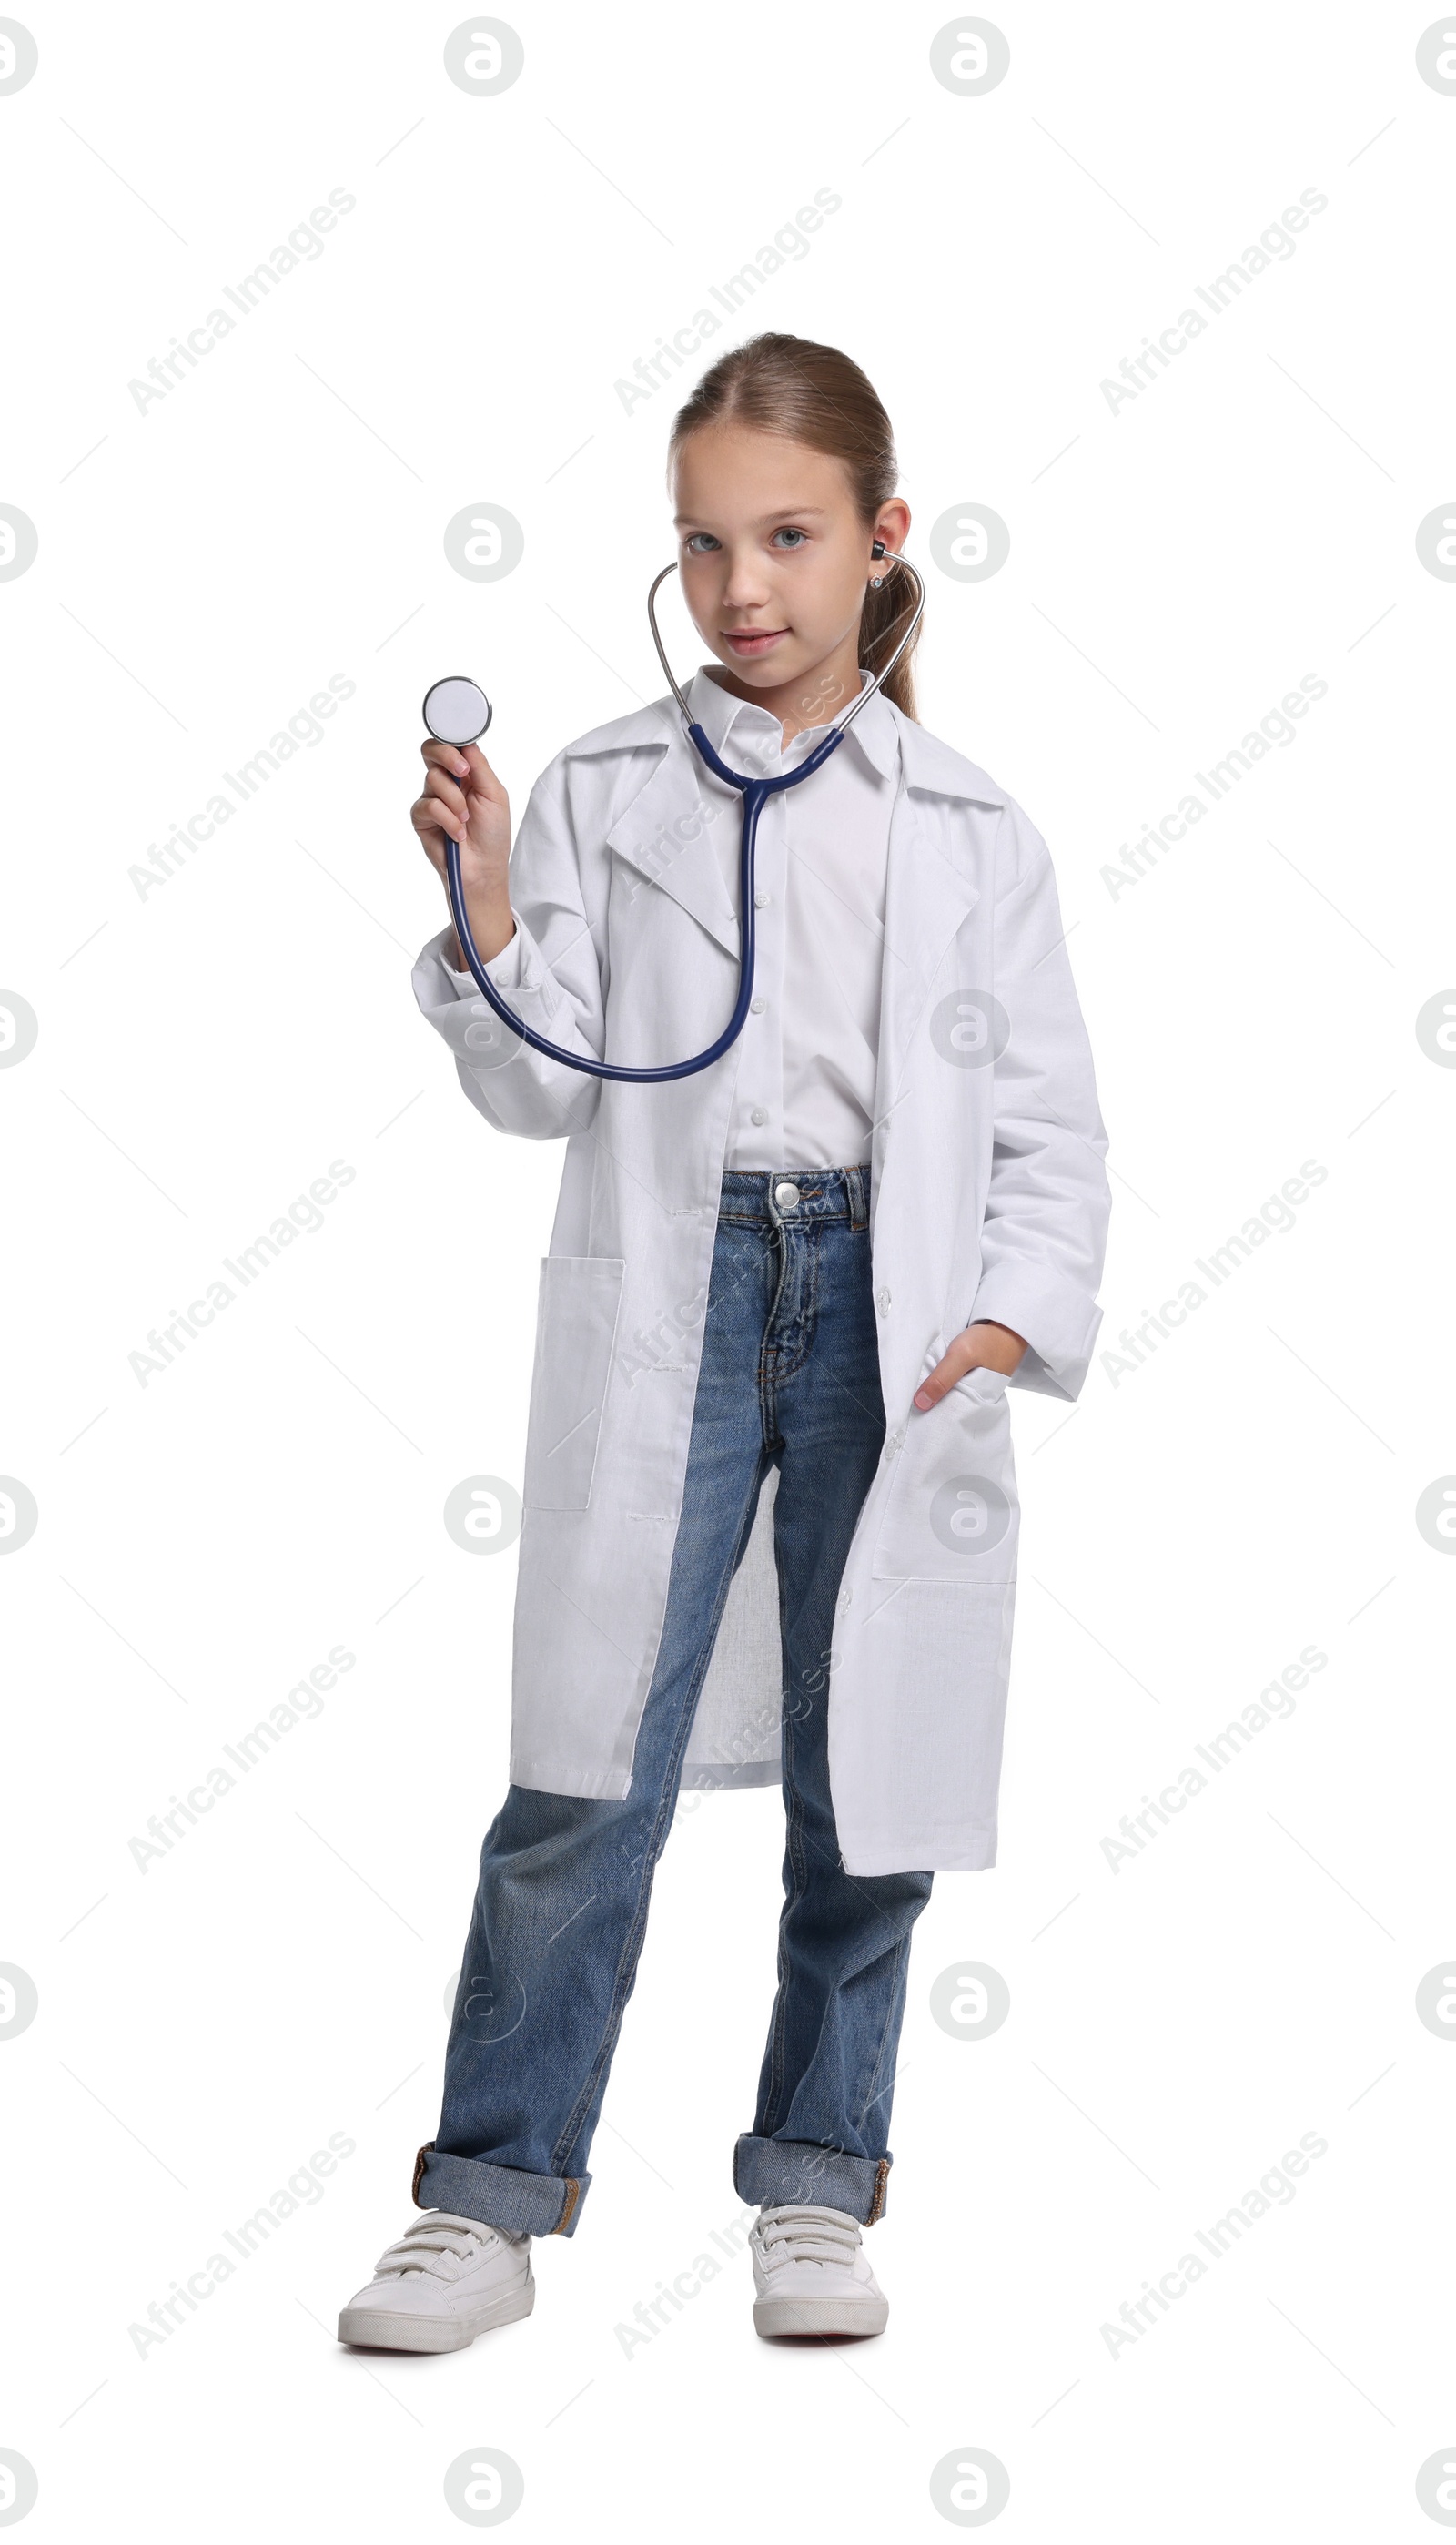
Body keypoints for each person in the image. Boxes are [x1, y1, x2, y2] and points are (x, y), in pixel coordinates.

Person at [337, 332, 1110, 2355]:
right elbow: (541, 1091)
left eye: (784, 537)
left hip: (893, 1313)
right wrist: (494, 910)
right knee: (587, 1766)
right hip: (676, 1302)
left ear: (878, 540)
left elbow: (1043, 1125)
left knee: (878, 1775)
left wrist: (1015, 1306)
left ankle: (816, 2183)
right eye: (702, 546)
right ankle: (490, 2195)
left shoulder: (968, 827)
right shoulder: (599, 788)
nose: (741, 588)